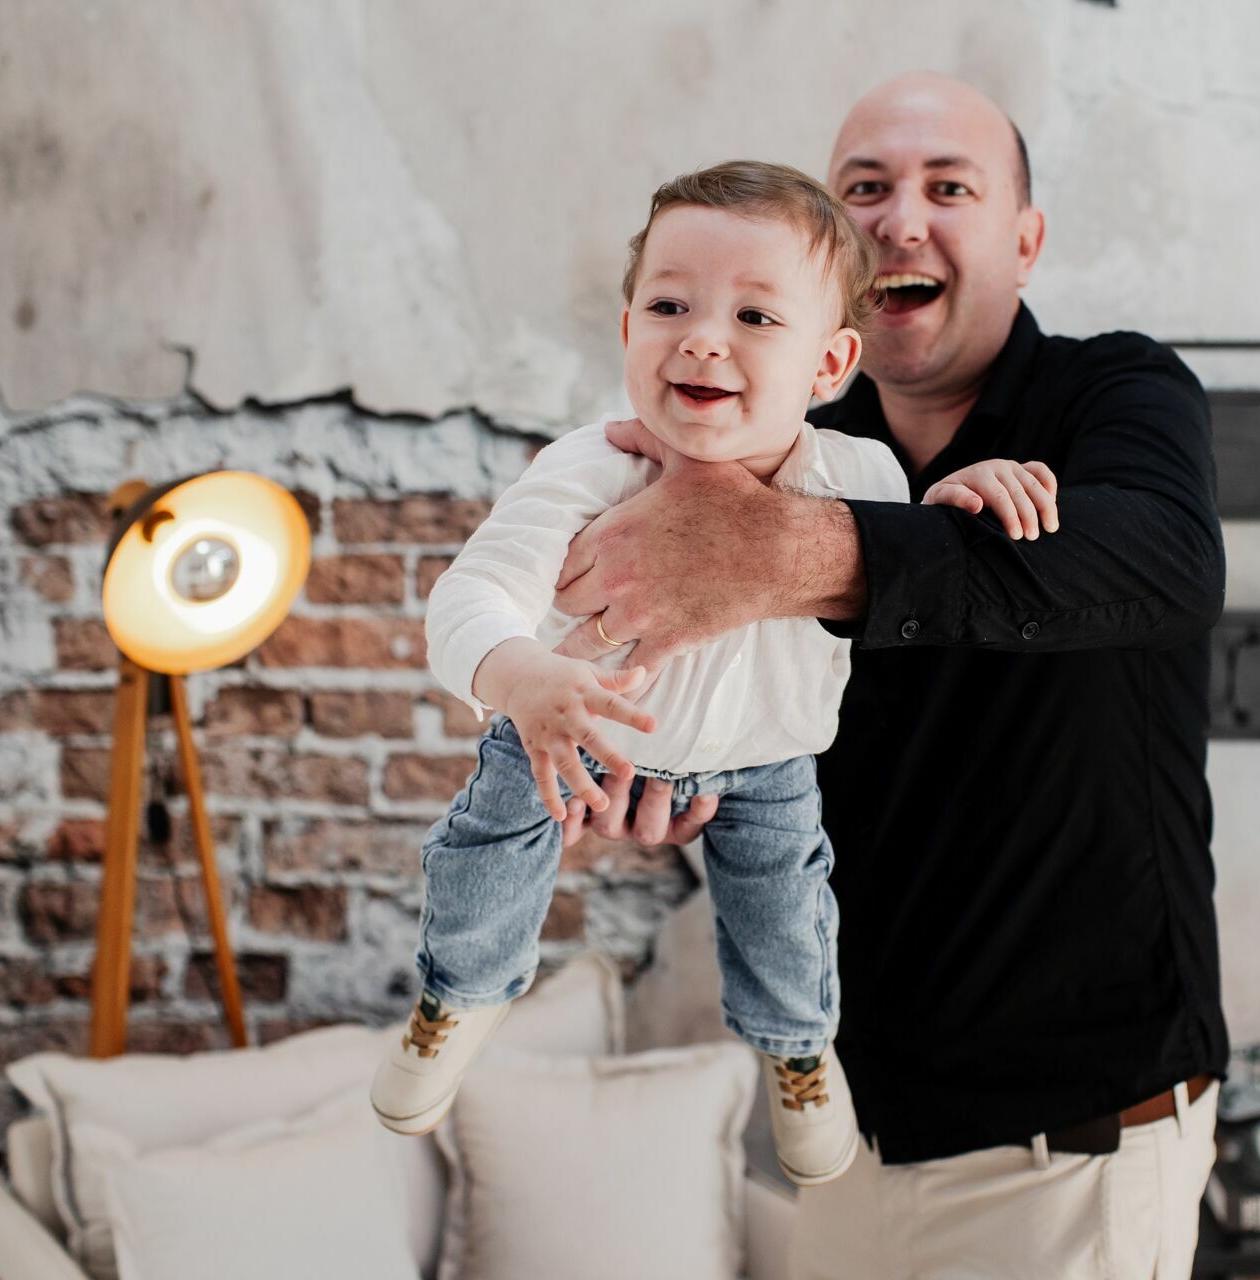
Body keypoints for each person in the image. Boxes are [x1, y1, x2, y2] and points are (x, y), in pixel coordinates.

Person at [555, 74, 1228, 1279]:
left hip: (1071, 1149)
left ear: (1025, 241)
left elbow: (1165, 565)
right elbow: (748, 716)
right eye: (864, 188)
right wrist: (661, 770)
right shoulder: (787, 444)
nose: (899, 219)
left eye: (948, 188)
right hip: (851, 1126)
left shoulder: (1114, 392)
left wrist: (788, 555)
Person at [367, 159, 1060, 1189]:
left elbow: (914, 565)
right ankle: (457, 997)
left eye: (754, 316)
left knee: (787, 914)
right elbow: (471, 597)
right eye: (669, 306)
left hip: (768, 762)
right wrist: (520, 678)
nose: (701, 338)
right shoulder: (590, 468)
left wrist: (964, 497)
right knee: (487, 849)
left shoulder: (861, 475)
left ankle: (797, 1052)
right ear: (626, 330)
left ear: (831, 364)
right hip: (572, 724)